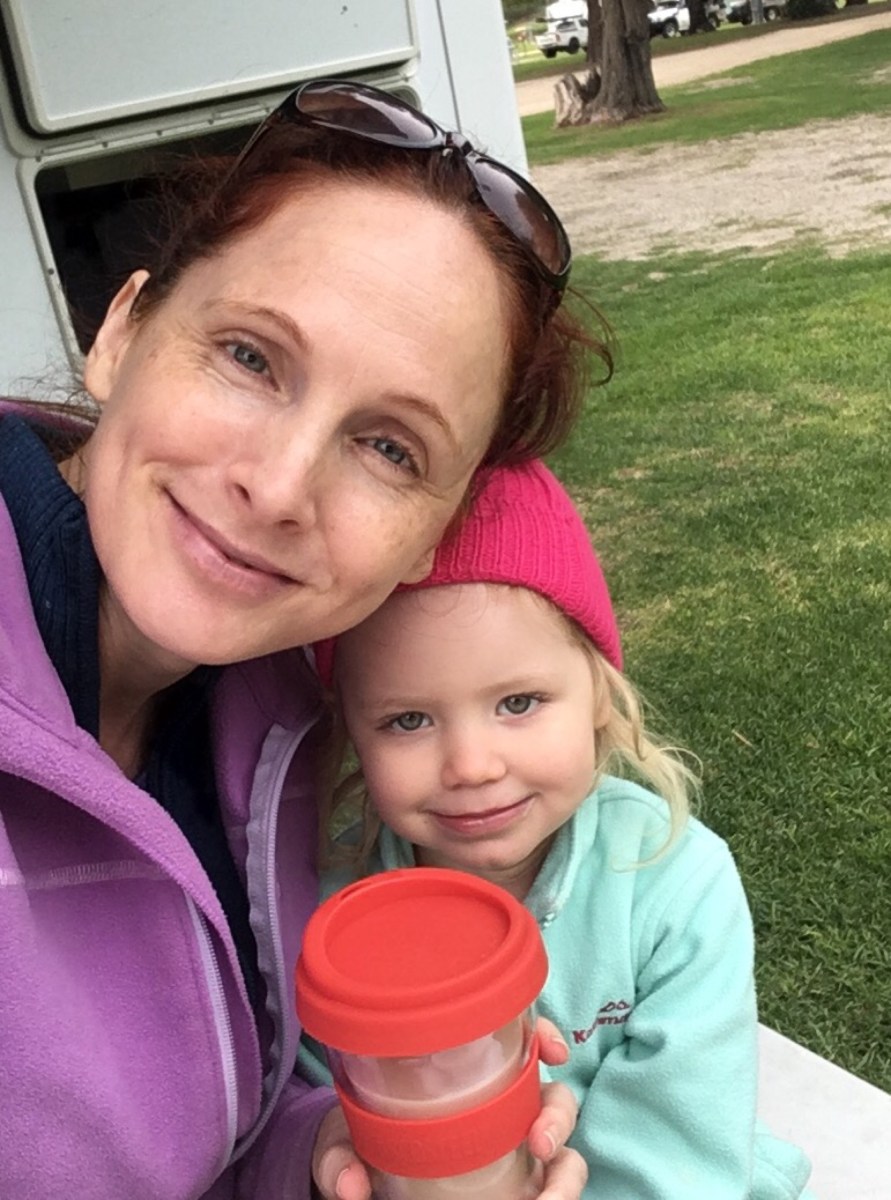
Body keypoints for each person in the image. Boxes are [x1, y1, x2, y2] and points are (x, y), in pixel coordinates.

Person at [0, 79, 610, 1200]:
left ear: (436, 534)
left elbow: (205, 1124)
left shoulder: (282, 712)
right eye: (249, 357)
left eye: (389, 447)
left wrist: (330, 1151)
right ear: (121, 332)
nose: (279, 487)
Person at [308, 459, 816, 1200]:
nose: (472, 765)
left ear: (600, 694)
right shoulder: (337, 921)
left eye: (518, 702)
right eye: (408, 720)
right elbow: (319, 1102)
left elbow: (681, 1154)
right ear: (352, 732)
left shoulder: (673, 886)